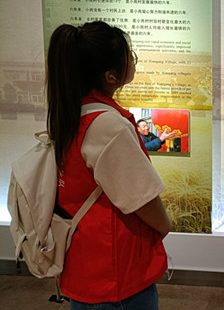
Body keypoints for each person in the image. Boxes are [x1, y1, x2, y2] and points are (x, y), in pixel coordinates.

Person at [46, 21, 170, 309]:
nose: (134, 61)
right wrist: (164, 227)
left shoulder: (72, 113)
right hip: (117, 271)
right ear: (111, 76)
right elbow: (141, 199)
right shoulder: (109, 126)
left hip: (84, 261)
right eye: (130, 56)